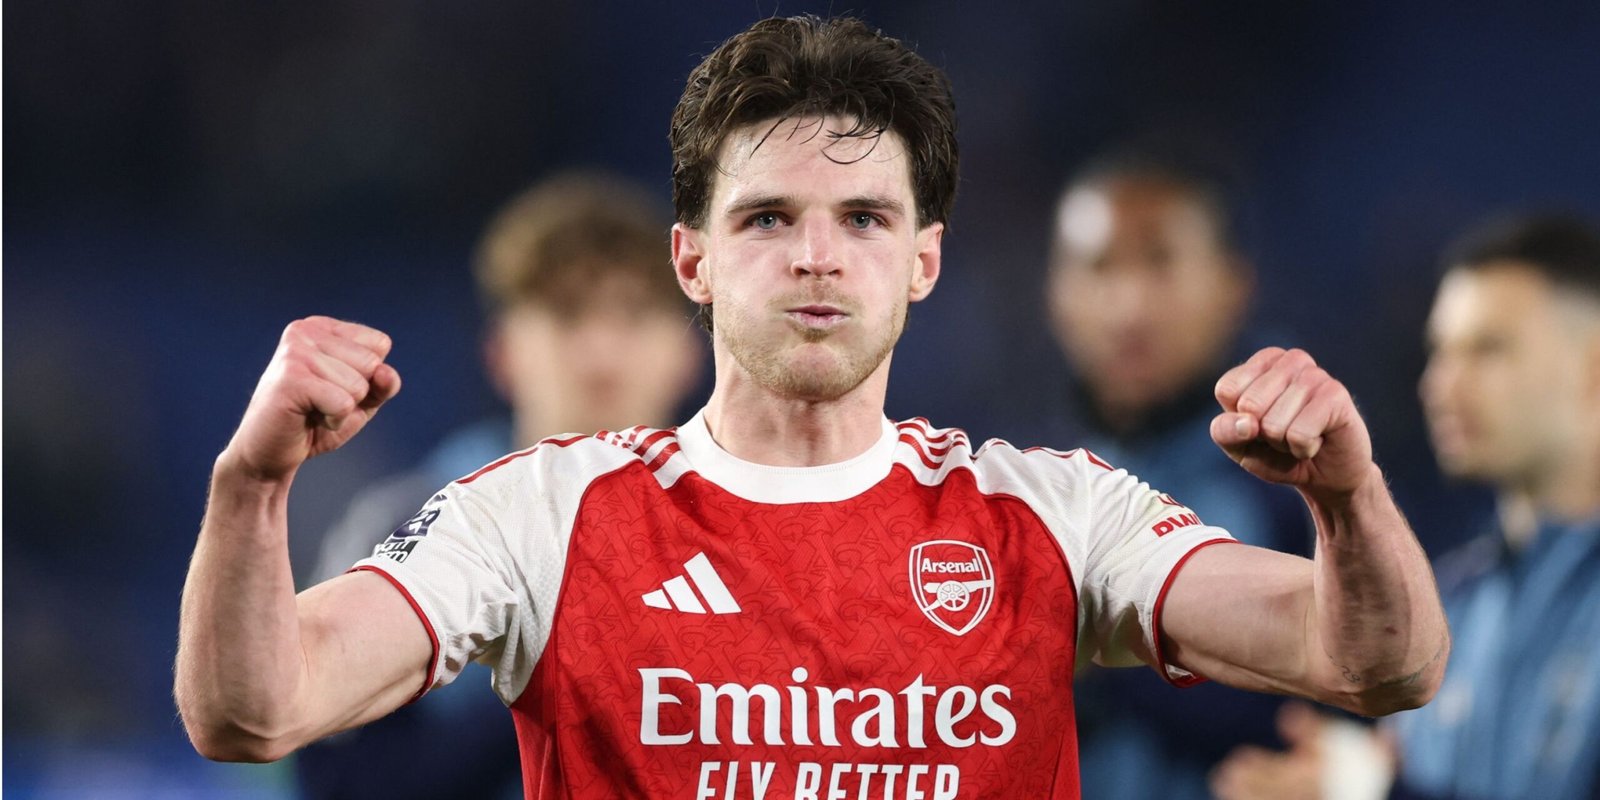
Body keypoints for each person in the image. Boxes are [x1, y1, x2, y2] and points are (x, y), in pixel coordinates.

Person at [175, 15, 1448, 799]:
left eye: (865, 219)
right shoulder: (536, 514)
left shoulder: (1058, 514)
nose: (817, 257)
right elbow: (252, 709)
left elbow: (1379, 663)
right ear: (692, 260)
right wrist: (251, 487)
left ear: (924, 260)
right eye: (768, 218)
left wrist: (1347, 496)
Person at [292, 171, 703, 799]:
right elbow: (338, 779)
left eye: (634, 315)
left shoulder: (753, 522)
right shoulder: (410, 521)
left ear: (688, 352)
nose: (600, 352)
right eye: (566, 315)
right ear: (503, 352)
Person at [1211, 215, 1600, 800]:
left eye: (1488, 350)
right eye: (1440, 352)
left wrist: (1371, 791)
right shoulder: (1449, 599)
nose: (1439, 386)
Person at [1028, 150, 1312, 800]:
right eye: (1099, 267)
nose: (1129, 307)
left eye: (1161, 263)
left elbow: (1315, 702)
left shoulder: (1300, 484)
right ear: (1056, 296)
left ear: (1232, 285)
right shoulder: (1039, 490)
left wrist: (1074, 638)